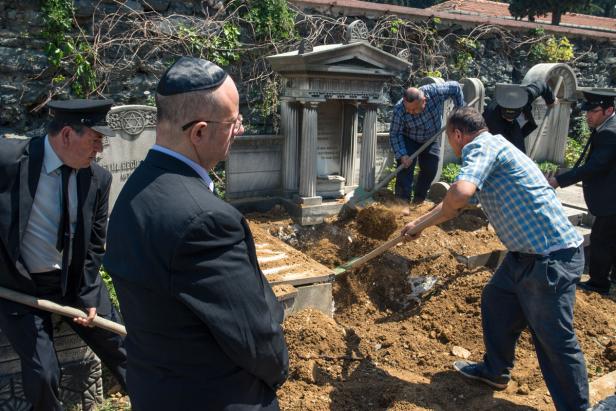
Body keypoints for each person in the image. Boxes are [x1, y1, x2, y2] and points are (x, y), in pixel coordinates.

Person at [103, 57, 289, 411]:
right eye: (233, 122)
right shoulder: (206, 220)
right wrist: (279, 370)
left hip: (155, 390)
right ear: (199, 132)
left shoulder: (133, 191)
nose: (241, 129)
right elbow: (253, 336)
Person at [402, 107, 589, 411]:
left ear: (458, 135)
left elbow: (460, 193)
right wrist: (418, 225)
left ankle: (576, 408)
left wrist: (421, 224)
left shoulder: (479, 148)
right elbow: (455, 203)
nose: (452, 145)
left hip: (551, 260)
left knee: (554, 341)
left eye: (450, 139)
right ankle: (495, 371)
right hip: (525, 257)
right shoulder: (496, 146)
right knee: (497, 300)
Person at [0, 99, 127, 411]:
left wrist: (87, 295)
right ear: (68, 134)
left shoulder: (97, 180)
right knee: (43, 374)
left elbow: (95, 244)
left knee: (128, 353)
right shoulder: (8, 161)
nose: (100, 149)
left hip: (76, 281)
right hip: (20, 288)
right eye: (96, 139)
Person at [549, 89, 616, 295]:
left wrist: (558, 180)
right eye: (587, 111)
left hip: (611, 200)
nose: (588, 115)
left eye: (593, 111)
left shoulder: (609, 133)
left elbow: (594, 166)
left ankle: (598, 283)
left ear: (609, 110)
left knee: (601, 241)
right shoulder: (607, 126)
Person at [389, 81, 464, 210]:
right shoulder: (399, 109)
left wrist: (459, 113)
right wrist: (402, 154)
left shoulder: (435, 92)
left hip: (431, 137)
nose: (410, 112)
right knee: (405, 169)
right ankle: (402, 203)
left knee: (431, 168)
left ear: (424, 100)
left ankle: (419, 199)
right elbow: (395, 134)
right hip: (409, 138)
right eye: (408, 109)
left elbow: (456, 88)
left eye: (413, 109)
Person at [483, 81, 556, 154]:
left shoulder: (525, 96)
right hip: (499, 131)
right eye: (506, 116)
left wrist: (551, 100)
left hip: (515, 126)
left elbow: (542, 84)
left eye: (513, 116)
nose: (509, 119)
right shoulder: (490, 116)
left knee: (519, 151)